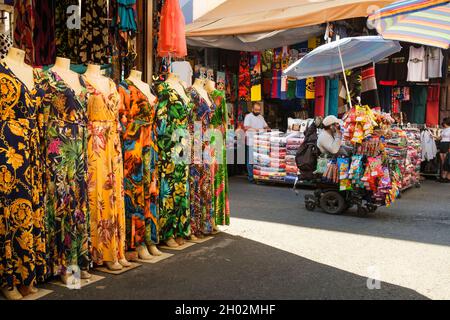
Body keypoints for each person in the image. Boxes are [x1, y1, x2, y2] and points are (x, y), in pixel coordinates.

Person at [244, 102, 270, 182]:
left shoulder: (261, 117)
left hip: (260, 141)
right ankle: (251, 177)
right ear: (252, 109)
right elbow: (246, 127)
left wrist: (268, 128)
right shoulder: (248, 117)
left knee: (258, 160)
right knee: (251, 160)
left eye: (258, 110)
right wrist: (256, 130)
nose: (257, 111)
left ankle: (258, 176)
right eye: (256, 110)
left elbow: (266, 126)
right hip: (251, 141)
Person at [437, 117, 450, 183]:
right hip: (442, 144)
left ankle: (447, 177)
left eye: (444, 122)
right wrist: (434, 137)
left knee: (446, 162)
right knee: (443, 162)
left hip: (447, 144)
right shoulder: (444, 129)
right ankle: (443, 176)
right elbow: (440, 137)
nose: (443, 123)